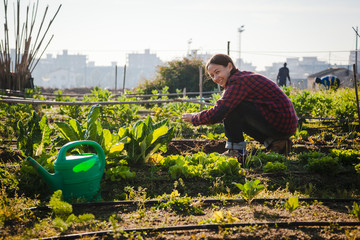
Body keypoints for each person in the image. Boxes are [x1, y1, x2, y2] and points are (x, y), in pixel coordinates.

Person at [181, 54, 298, 160]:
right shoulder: (241, 78)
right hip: (284, 124)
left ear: (229, 66)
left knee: (231, 108)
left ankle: (236, 151)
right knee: (233, 108)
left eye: (217, 72)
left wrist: (195, 117)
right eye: (212, 75)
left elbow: (218, 113)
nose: (215, 78)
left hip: (281, 123)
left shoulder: (238, 81)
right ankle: (278, 143)